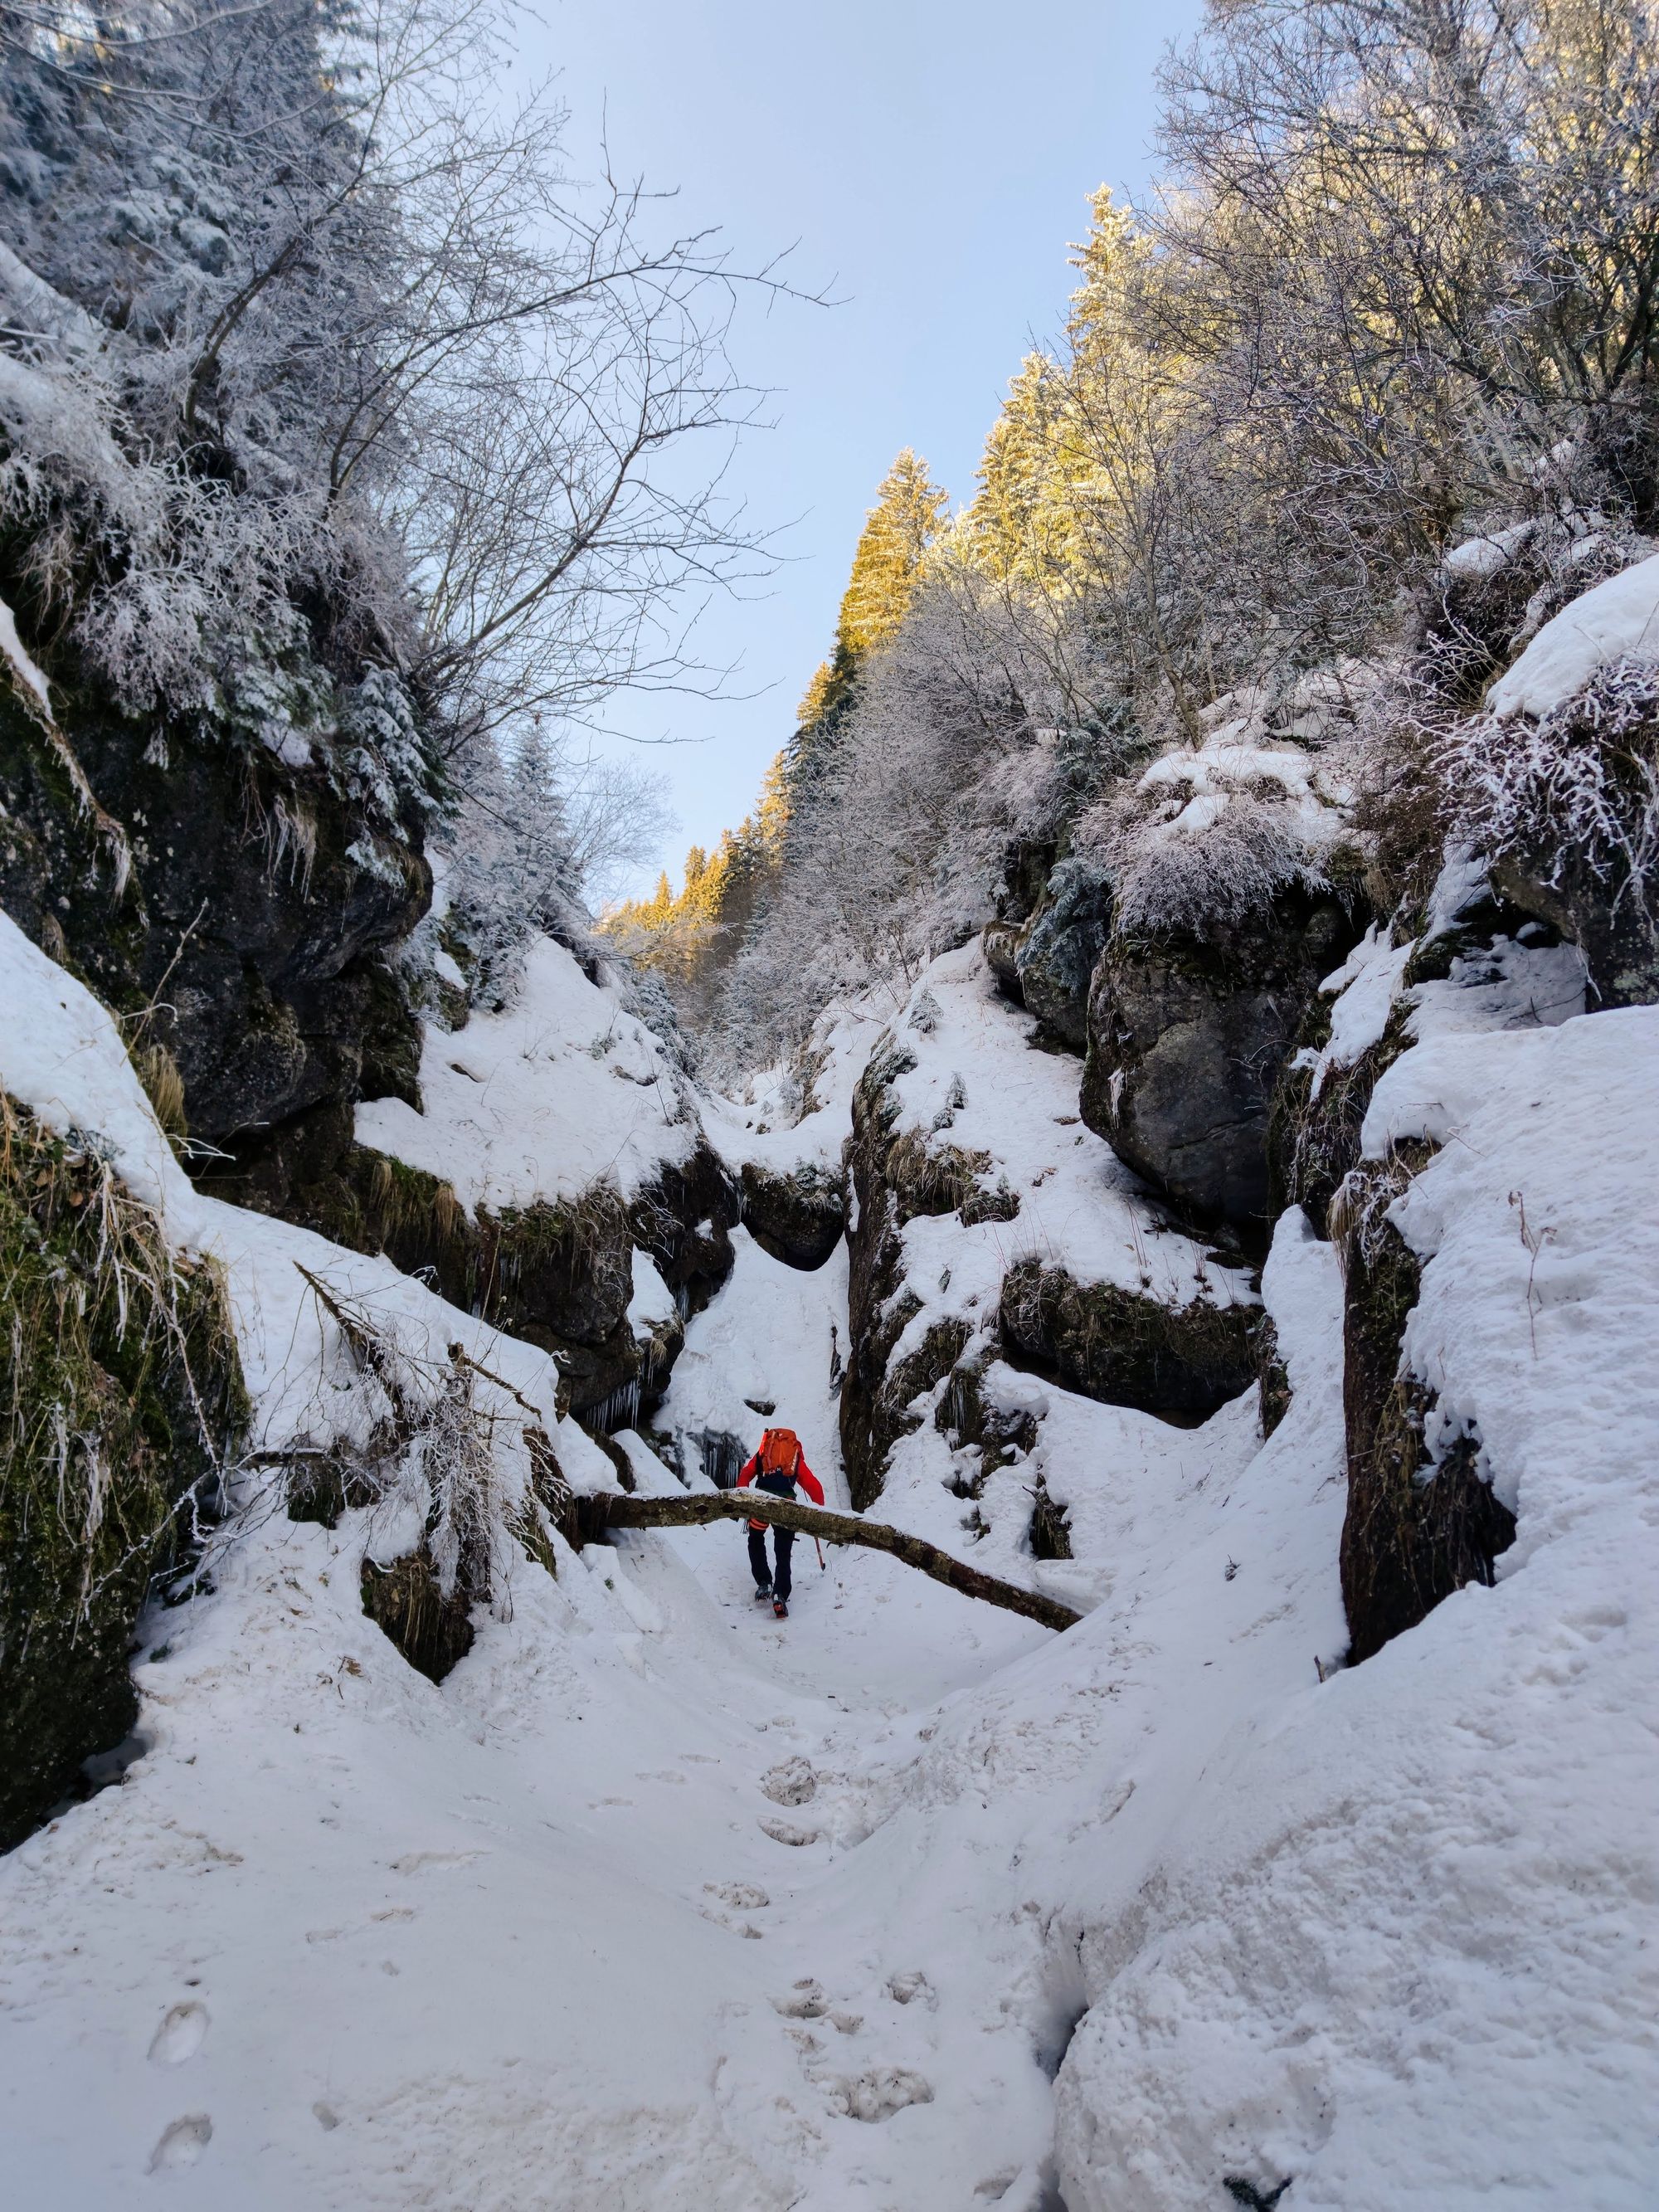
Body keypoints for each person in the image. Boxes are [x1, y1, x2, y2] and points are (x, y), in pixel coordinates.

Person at [737, 1425, 824, 1618]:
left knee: (756, 1539)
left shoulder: (763, 1452)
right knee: (783, 1551)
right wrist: (820, 1511)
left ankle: (764, 1582)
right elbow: (814, 1486)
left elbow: (745, 1474)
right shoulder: (794, 1457)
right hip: (786, 1506)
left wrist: (741, 1499)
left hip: (761, 1503)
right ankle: (780, 1594)